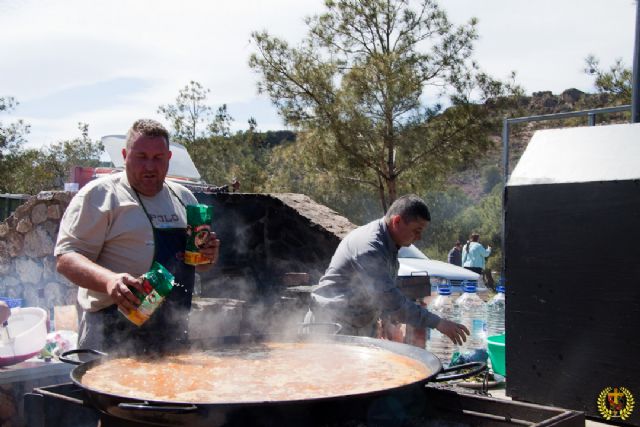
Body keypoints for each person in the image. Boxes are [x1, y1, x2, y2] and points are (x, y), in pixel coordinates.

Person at [54, 119, 220, 355]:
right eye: (141, 156)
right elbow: (66, 258)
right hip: (110, 330)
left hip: (171, 331)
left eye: (157, 158)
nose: (150, 166)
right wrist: (110, 281)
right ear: (125, 155)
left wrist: (209, 254)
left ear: (169, 158)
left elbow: (201, 266)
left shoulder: (184, 198)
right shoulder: (101, 195)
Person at [307, 194, 469, 346]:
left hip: (354, 324)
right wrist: (438, 323)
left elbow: (379, 294)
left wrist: (385, 321)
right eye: (417, 230)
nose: (419, 237)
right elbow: (389, 298)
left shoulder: (389, 243)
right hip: (331, 326)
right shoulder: (369, 246)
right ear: (397, 221)